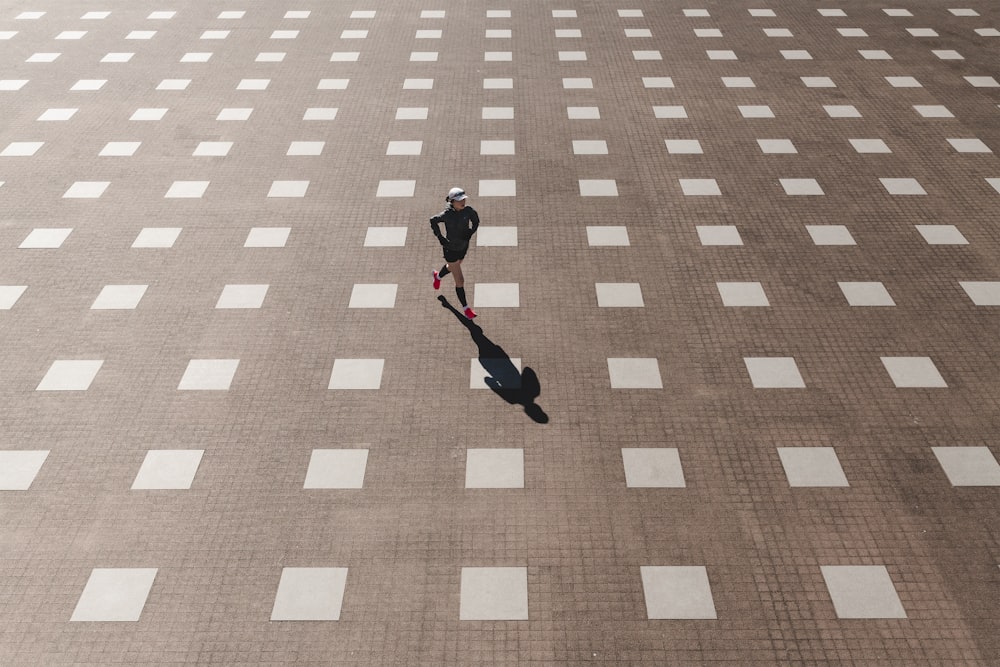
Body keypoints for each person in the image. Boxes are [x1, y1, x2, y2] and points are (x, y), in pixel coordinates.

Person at [430, 187, 480, 319]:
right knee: (460, 280)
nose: (462, 202)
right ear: (452, 201)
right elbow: (433, 220)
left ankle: (438, 276)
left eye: (463, 199)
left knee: (453, 266)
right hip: (450, 249)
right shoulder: (447, 215)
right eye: (459, 200)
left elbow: (476, 221)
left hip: (463, 247)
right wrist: (440, 237)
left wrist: (471, 231)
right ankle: (466, 309)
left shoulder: (468, 211)